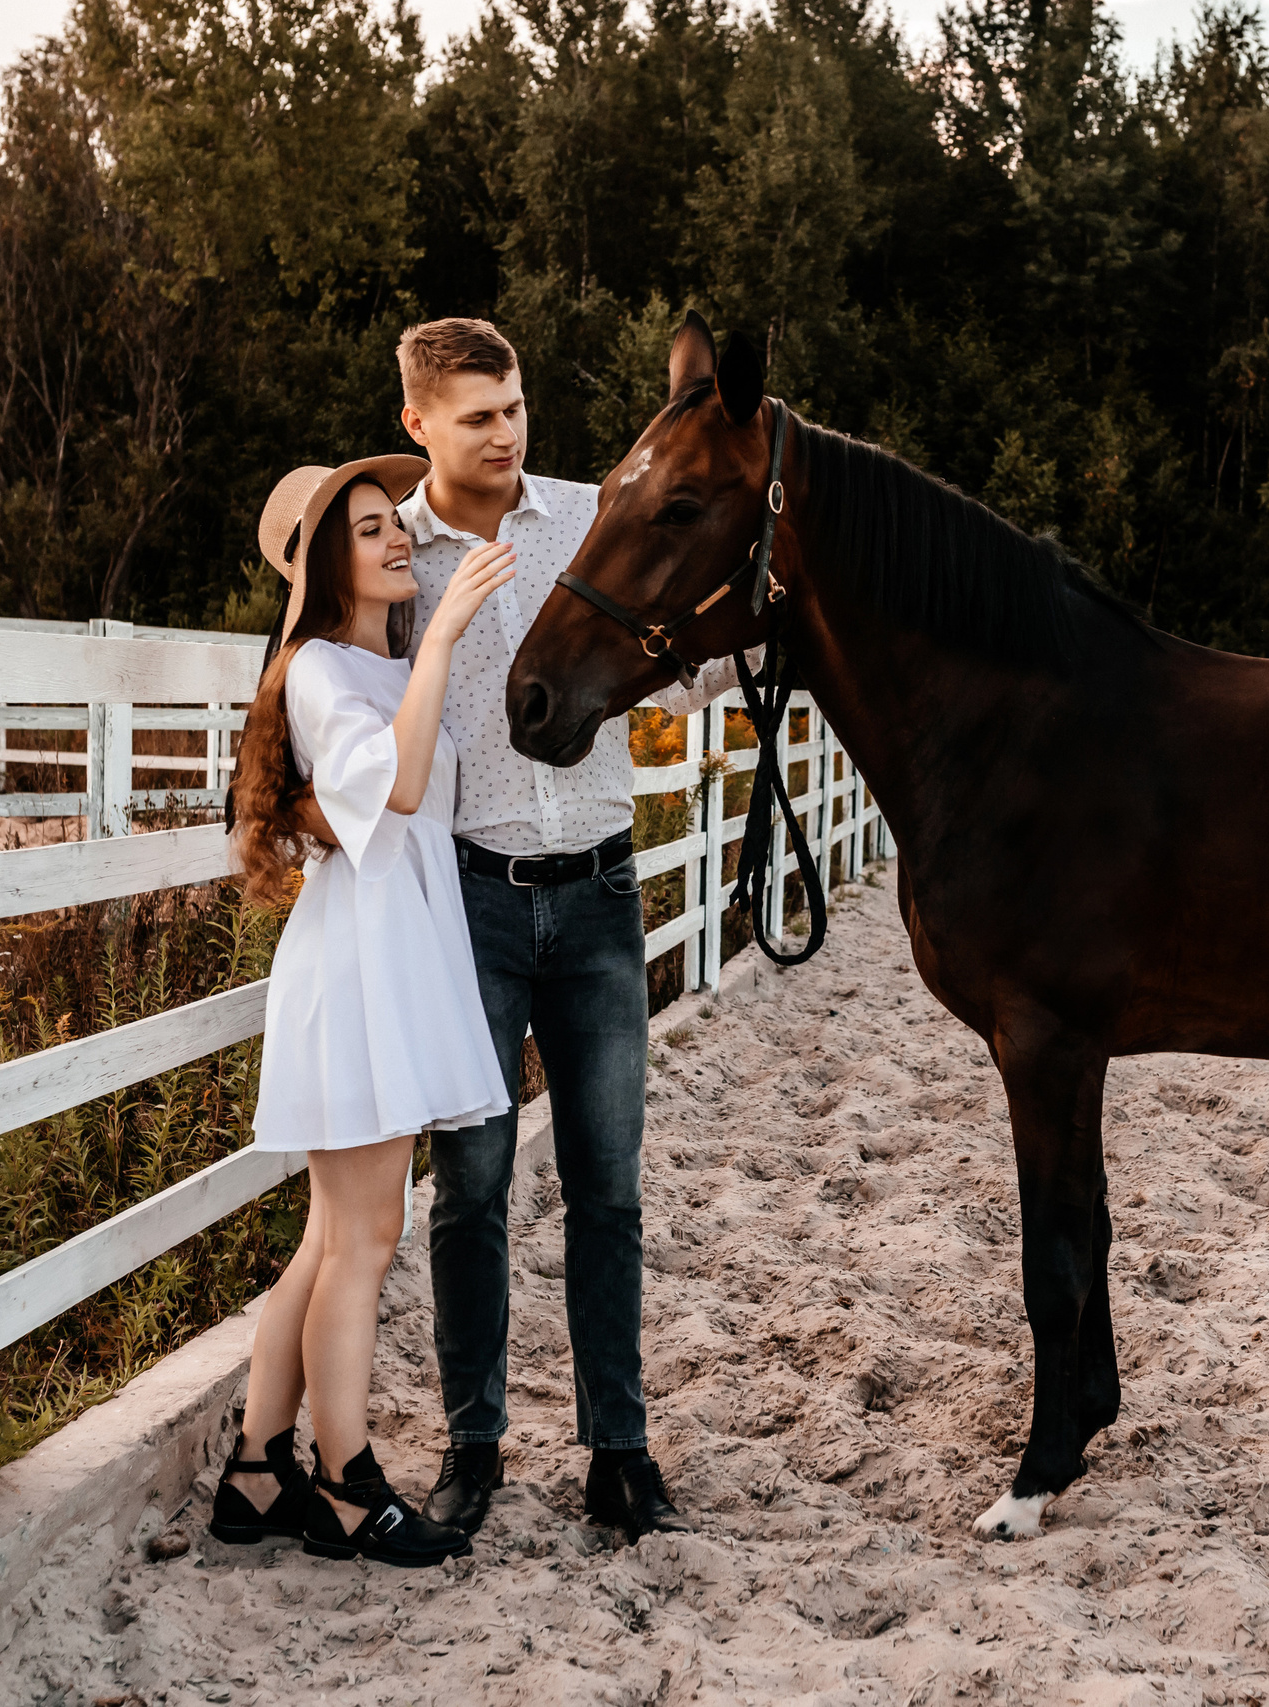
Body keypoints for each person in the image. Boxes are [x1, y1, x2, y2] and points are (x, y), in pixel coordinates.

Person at [391, 317, 759, 1542]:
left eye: (515, 409)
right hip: (475, 901)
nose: (506, 435)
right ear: (420, 426)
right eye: (478, 417)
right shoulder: (402, 559)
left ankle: (620, 1454)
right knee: (472, 1188)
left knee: (609, 1189)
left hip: (601, 891)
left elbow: (679, 657)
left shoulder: (587, 514)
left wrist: (775, 635)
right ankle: (473, 1448)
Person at [207, 453, 518, 1568]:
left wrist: (431, 653)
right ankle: (345, 1486)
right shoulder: (321, 673)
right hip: (362, 975)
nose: (397, 542)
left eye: (396, 524)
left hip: (398, 960)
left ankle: (254, 1474)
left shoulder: (373, 667)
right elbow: (391, 788)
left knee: (331, 1240)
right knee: (365, 1241)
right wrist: (437, 642)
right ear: (321, 562)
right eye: (370, 530)